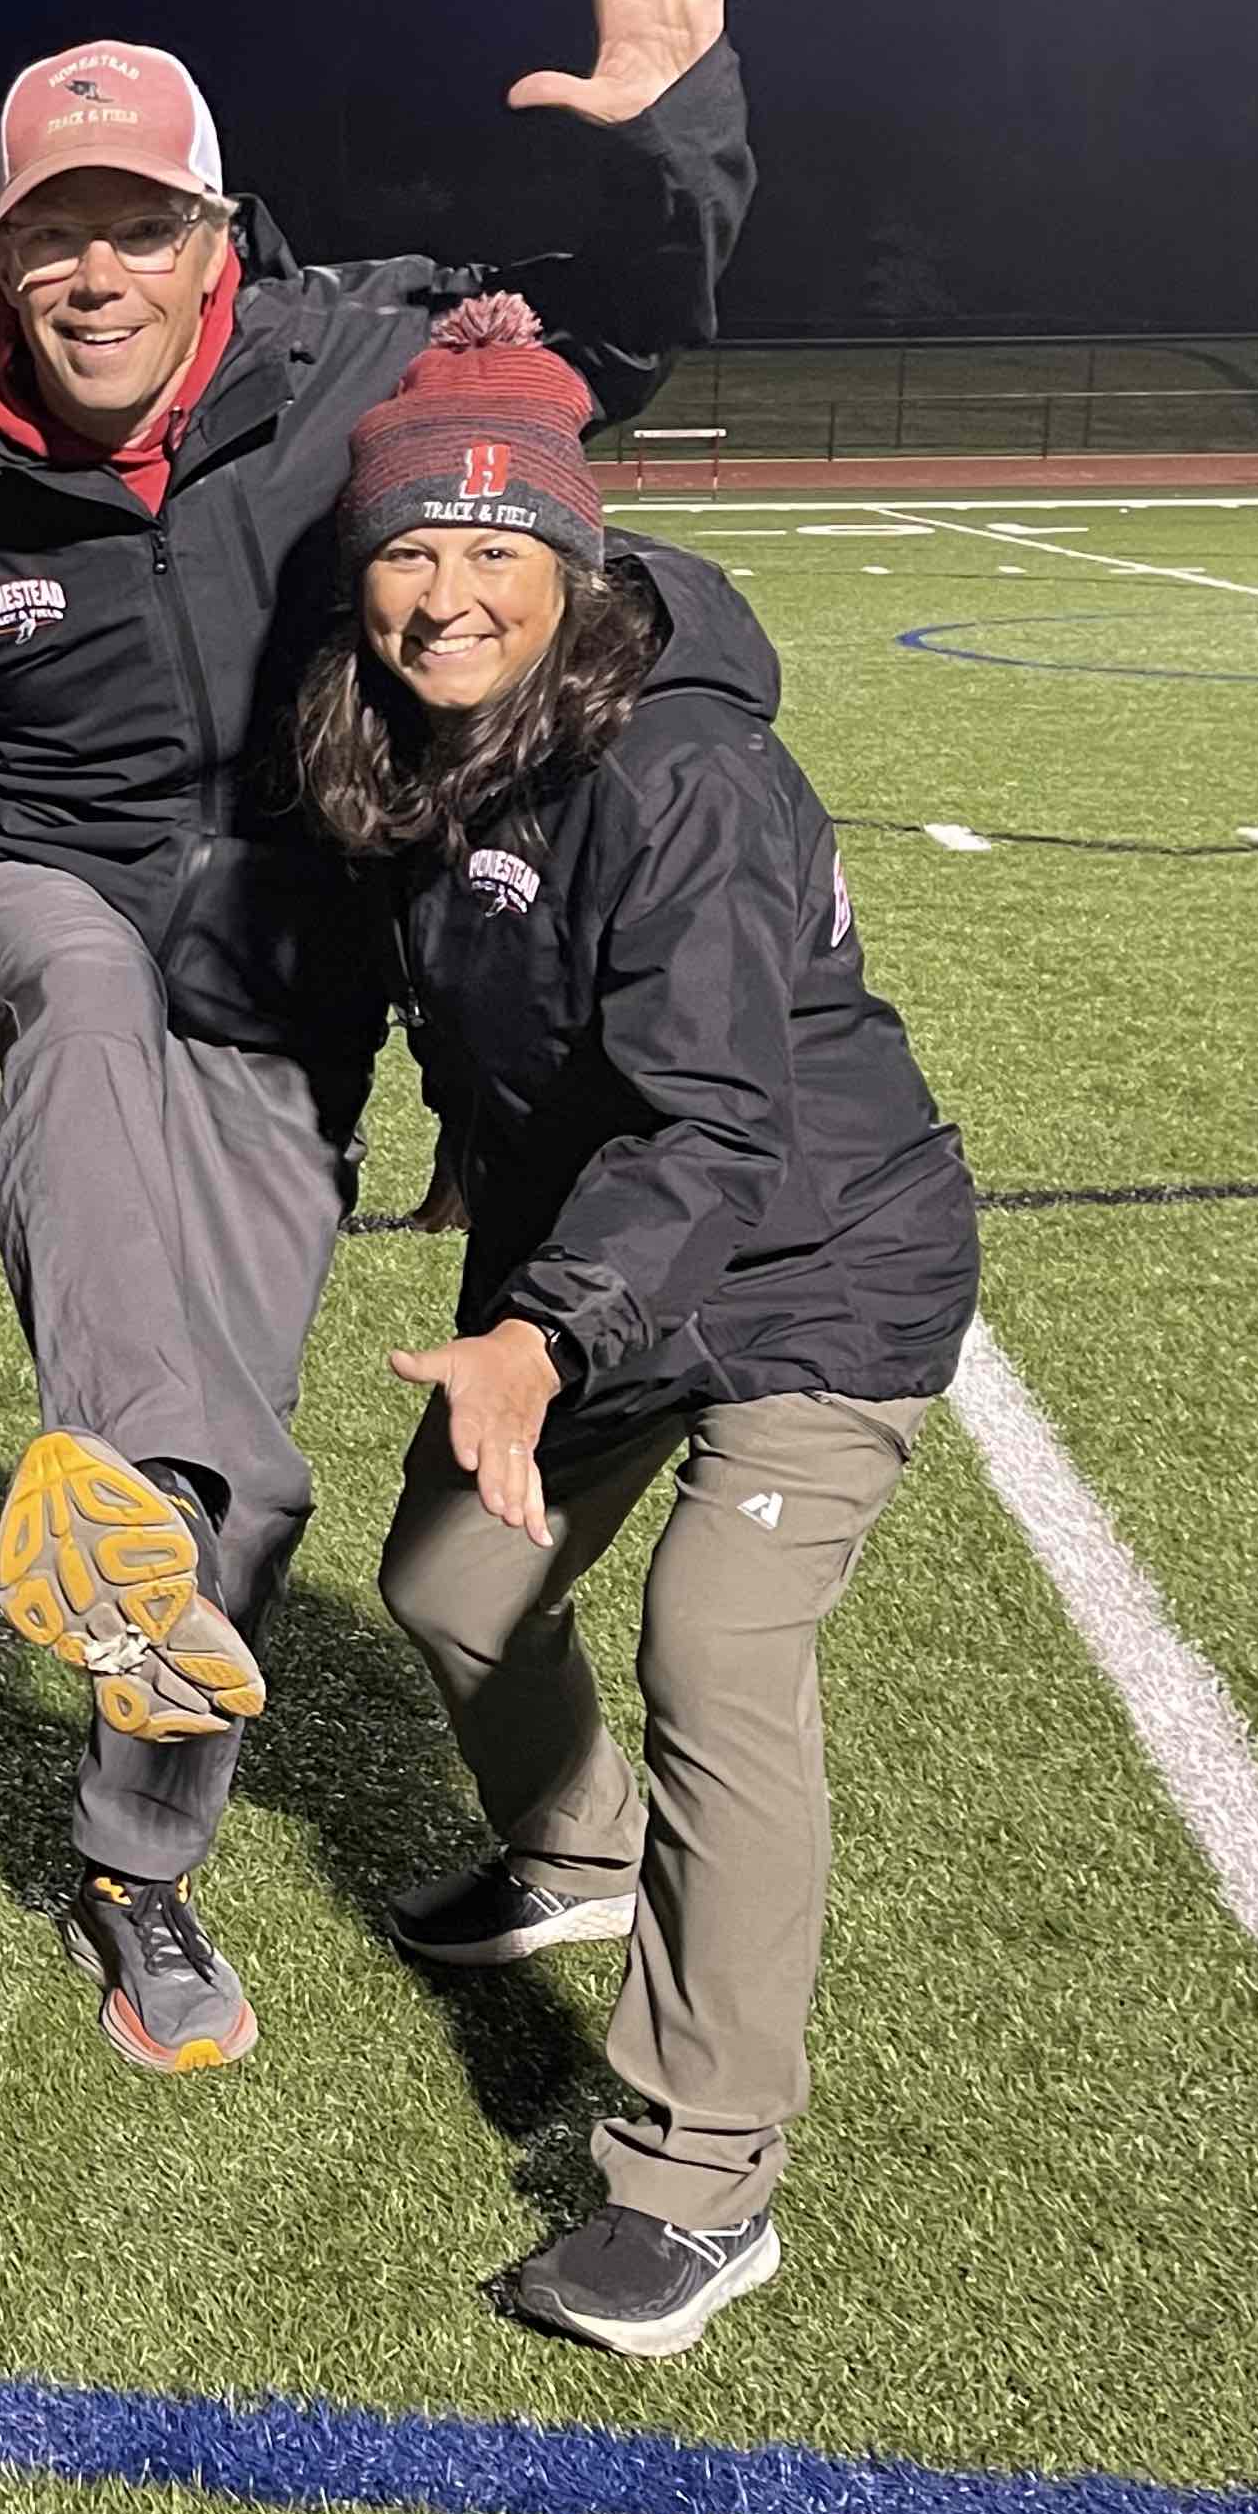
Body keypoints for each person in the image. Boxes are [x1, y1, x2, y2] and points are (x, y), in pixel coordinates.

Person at [0, 0, 751, 2077]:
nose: (94, 273)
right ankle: (124, 1477)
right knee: (79, 991)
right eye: (53, 233)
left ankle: (136, 1857)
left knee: (248, 1485)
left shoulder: (363, 361)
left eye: (139, 226)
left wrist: (668, 134)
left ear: (219, 237)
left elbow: (611, 343)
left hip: (286, 980)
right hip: (23, 902)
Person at [301, 295, 978, 2356]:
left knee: (715, 1647)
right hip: (597, 1243)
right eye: (411, 548)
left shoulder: (684, 772)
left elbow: (713, 1118)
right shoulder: (402, 731)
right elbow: (492, 977)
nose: (446, 593)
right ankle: (575, 1850)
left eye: (494, 549)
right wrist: (471, 1146)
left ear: (573, 566)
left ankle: (699, 2179)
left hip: (809, 1262)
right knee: (450, 1584)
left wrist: (540, 1332)